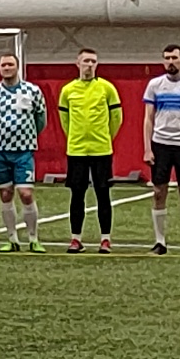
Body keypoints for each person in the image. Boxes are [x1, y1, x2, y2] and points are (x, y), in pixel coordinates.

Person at [138, 46, 180, 255]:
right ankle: (160, 242)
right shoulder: (155, 85)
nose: (170, 61)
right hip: (160, 144)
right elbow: (148, 118)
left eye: (174, 57)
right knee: (159, 192)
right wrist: (147, 148)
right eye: (167, 58)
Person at [0, 53, 46, 252]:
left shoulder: (32, 91)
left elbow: (41, 119)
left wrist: (27, 136)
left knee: (25, 193)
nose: (6, 68)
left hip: (24, 150)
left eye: (10, 64)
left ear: (17, 67)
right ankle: (12, 239)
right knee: (5, 193)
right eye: (3, 65)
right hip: (0, 151)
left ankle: (33, 238)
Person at [58, 48, 120, 252]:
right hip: (76, 151)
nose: (89, 65)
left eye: (93, 61)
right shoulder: (68, 90)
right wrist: (74, 138)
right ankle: (76, 239)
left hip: (101, 150)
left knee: (103, 194)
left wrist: (105, 137)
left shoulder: (107, 88)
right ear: (77, 64)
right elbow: (65, 120)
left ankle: (105, 239)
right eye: (86, 61)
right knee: (77, 195)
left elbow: (117, 118)